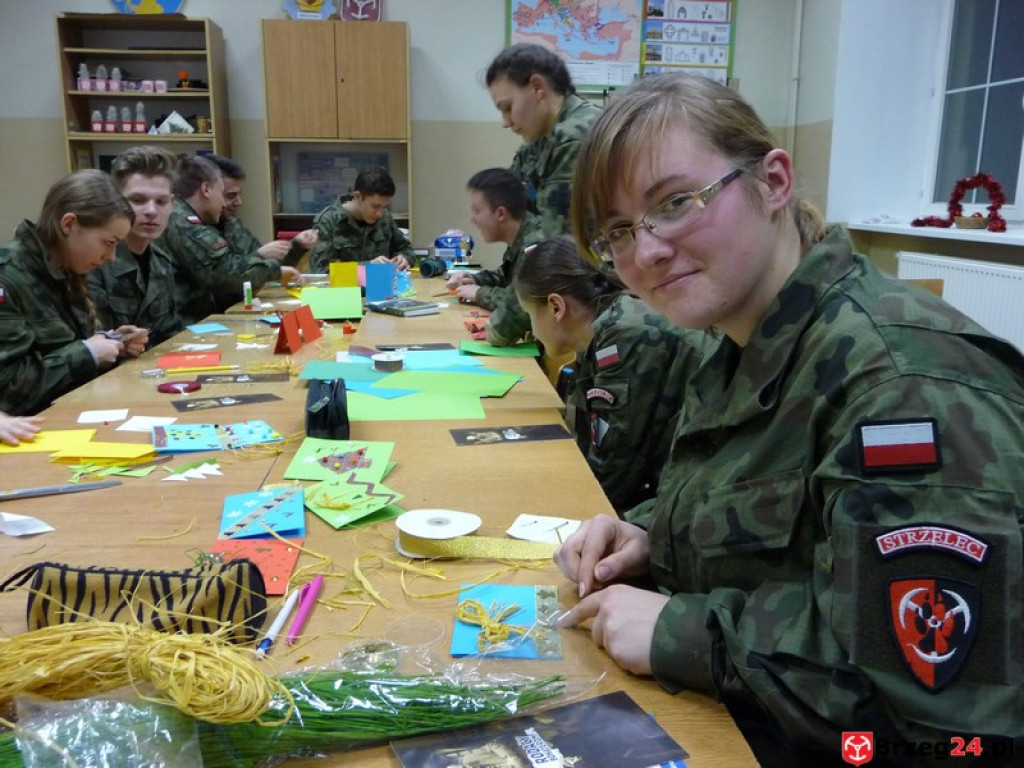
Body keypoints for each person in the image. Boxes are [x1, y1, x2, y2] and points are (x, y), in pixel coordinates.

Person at [557, 72, 1024, 764]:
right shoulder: (739, 340)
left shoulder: (903, 389)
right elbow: (783, 518)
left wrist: (684, 632)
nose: (646, 252)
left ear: (773, 183)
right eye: (619, 232)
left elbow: (938, 710)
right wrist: (651, 535)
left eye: (677, 202)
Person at [514, 236, 711, 514]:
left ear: (556, 307)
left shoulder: (626, 337)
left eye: (529, 315)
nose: (533, 331)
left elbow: (612, 478)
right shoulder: (604, 330)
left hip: (698, 496)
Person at [0, 170, 136, 415]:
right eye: (108, 242)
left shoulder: (67, 268)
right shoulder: (8, 278)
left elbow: (64, 349)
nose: (111, 257)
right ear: (69, 224)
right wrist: (88, 353)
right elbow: (9, 389)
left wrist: (112, 343)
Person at [159, 155, 300, 325]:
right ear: (206, 190)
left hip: (202, 318)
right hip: (181, 325)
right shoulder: (182, 220)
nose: (226, 204)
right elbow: (223, 272)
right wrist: (274, 271)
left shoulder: (209, 220)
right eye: (223, 193)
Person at [485, 43, 600, 236]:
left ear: (538, 87)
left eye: (508, 107)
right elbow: (506, 205)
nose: (505, 122)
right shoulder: (538, 143)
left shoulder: (574, 137)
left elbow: (560, 243)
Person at [87, 146, 182, 348]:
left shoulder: (161, 263)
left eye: (161, 201)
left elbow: (168, 333)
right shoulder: (94, 262)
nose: (151, 211)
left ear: (172, 203)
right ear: (116, 201)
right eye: (138, 200)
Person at [447, 168, 544, 346]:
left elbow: (518, 310)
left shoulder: (535, 244)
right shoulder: (523, 236)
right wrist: (473, 279)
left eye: (477, 210)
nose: (473, 219)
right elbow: (506, 277)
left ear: (500, 213)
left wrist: (480, 293)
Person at [206, 154, 318, 267]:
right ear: (206, 191)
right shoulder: (195, 231)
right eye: (230, 196)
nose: (239, 202)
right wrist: (259, 255)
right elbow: (223, 277)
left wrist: (297, 245)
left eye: (237, 195)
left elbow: (268, 269)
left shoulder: (232, 225)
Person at [307, 166, 412, 273]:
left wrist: (403, 258)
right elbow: (320, 270)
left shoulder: (385, 218)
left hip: (380, 288)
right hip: (343, 289)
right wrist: (366, 268)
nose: (380, 214)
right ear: (358, 196)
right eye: (375, 206)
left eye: (385, 207)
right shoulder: (328, 220)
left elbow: (406, 249)